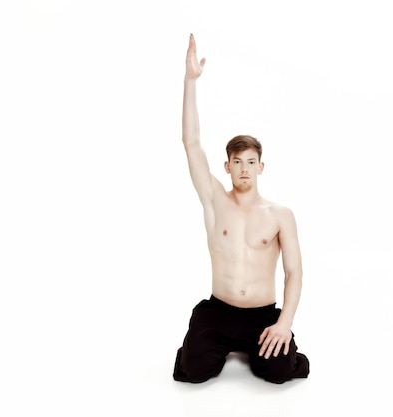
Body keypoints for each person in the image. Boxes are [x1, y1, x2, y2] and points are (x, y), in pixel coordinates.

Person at [173, 34, 310, 384]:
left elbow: (294, 273)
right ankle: (199, 343)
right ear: (227, 167)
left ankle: (280, 346)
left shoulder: (280, 215)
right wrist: (190, 82)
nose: (244, 168)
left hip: (262, 315)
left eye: (251, 161)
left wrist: (284, 323)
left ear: (261, 167)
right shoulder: (215, 201)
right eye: (237, 162)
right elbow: (191, 142)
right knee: (193, 371)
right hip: (218, 310)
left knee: (280, 374)